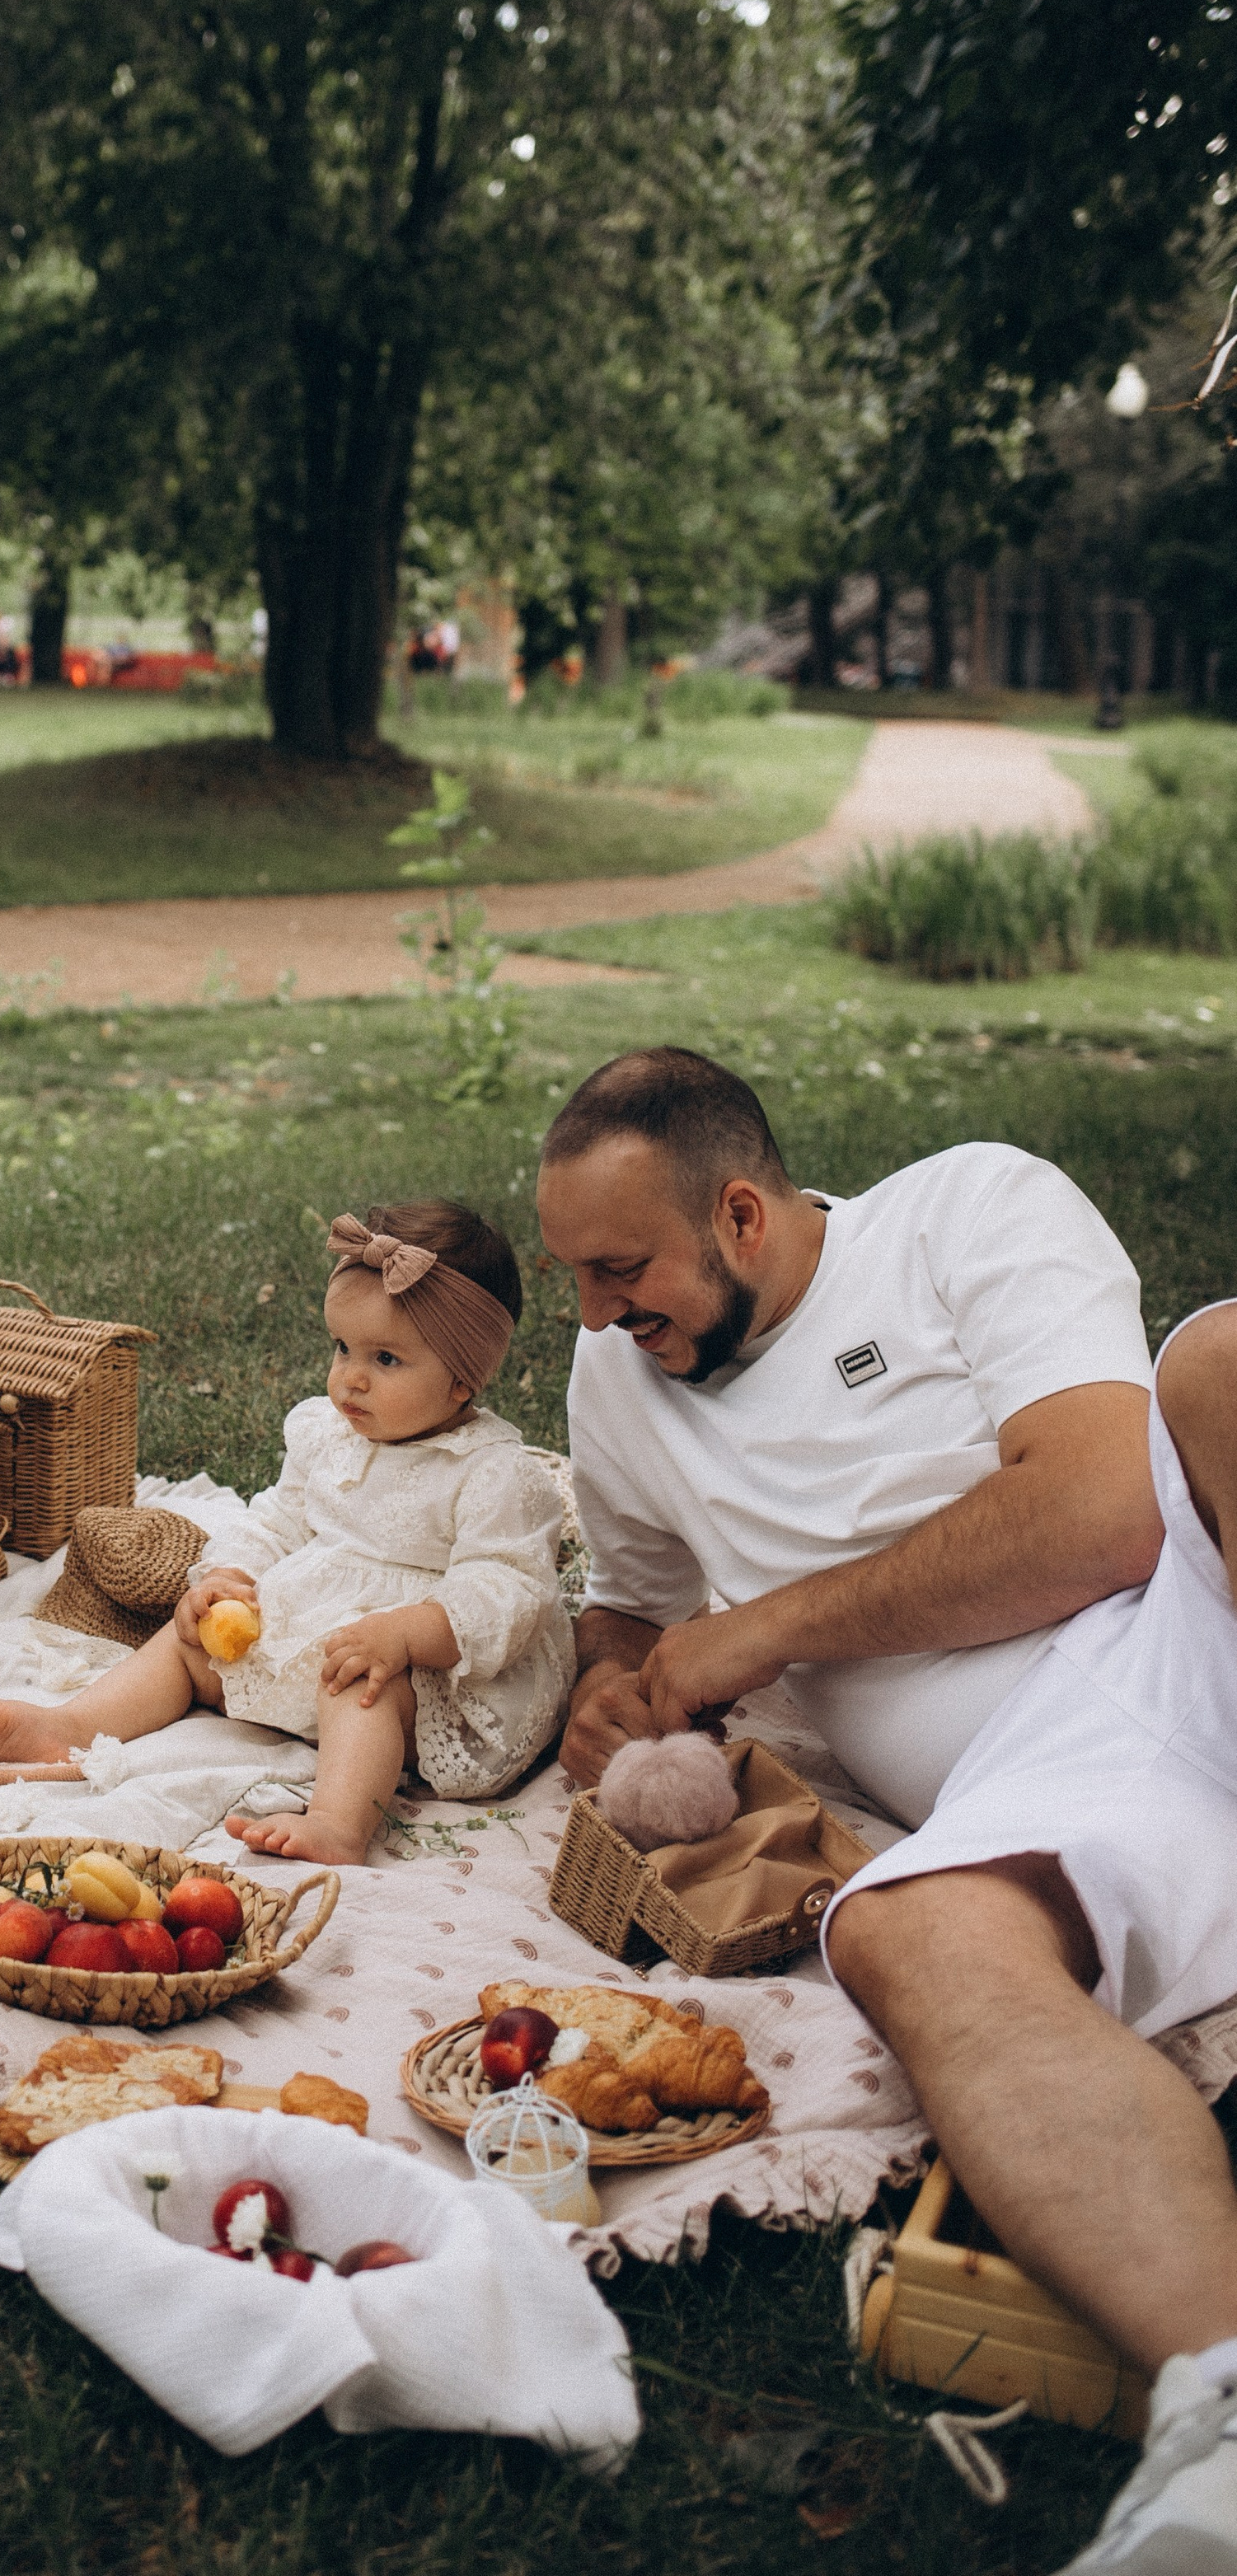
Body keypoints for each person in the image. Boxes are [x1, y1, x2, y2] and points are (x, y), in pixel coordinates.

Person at [537, 1047, 1237, 2574]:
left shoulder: (968, 1210)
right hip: (1052, 1783)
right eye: (574, 1277)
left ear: (739, 1215)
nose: (591, 1315)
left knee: (1222, 1364)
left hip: (1197, 1609)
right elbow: (629, 1611)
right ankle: (1222, 2421)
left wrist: (764, 1630)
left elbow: (1108, 1513)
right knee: (902, 1937)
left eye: (620, 1271)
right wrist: (609, 1687)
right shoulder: (617, 1379)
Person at [0, 1201, 574, 1864]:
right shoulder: (328, 1435)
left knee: (358, 1688)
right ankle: (74, 1725)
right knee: (190, 1642)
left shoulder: (492, 1474)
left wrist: (408, 1633)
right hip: (331, 1621)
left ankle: (337, 1823)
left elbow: (508, 1589)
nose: (351, 1377)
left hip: (433, 1678)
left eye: (386, 1359)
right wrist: (230, 1577)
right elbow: (279, 1521)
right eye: (342, 1348)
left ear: (463, 1378)